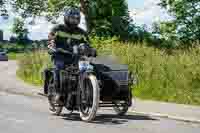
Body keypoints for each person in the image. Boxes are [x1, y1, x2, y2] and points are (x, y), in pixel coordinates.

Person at [46, 7, 89, 108]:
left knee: (86, 69)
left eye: (76, 18)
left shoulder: (81, 32)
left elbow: (87, 44)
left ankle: (87, 93)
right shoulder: (58, 28)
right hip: (59, 55)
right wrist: (51, 46)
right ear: (66, 18)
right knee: (59, 68)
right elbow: (50, 40)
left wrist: (91, 49)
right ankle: (58, 93)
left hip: (75, 57)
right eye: (71, 18)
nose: (74, 20)